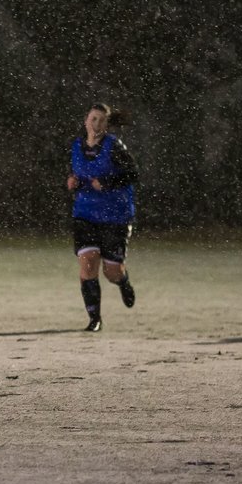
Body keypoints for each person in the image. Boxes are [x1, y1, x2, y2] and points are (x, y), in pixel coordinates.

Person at [67, 101, 138, 332]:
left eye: (101, 120)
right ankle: (94, 318)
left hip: (115, 215)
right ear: (86, 121)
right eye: (93, 119)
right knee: (88, 264)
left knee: (111, 271)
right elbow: (71, 174)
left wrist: (108, 182)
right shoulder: (76, 146)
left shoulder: (115, 147)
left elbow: (133, 174)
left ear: (107, 125)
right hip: (85, 213)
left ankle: (122, 281)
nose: (96, 123)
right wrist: (71, 182)